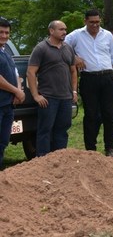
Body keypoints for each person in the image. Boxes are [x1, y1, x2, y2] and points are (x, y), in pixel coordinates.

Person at [65, 9, 113, 157]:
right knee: (91, 115)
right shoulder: (76, 35)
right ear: (85, 21)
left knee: (109, 115)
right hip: (89, 78)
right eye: (92, 22)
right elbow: (62, 45)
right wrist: (75, 57)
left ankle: (110, 148)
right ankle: (91, 148)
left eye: (97, 22)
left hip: (108, 77)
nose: (95, 25)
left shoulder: (107, 35)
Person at [26, 20, 78, 157]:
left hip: (66, 98)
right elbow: (30, 72)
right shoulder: (41, 48)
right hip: (48, 98)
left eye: (65, 29)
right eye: (61, 29)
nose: (64, 32)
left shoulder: (68, 48)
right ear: (51, 31)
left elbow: (73, 71)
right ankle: (43, 161)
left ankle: (59, 159)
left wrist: (74, 91)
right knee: (45, 130)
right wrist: (36, 95)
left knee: (62, 130)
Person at [0, 17, 25, 169]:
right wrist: (16, 90)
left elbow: (15, 73)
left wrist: (19, 89)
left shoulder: (6, 53)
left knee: (3, 141)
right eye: (1, 32)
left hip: (8, 106)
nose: (4, 35)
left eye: (6, 32)